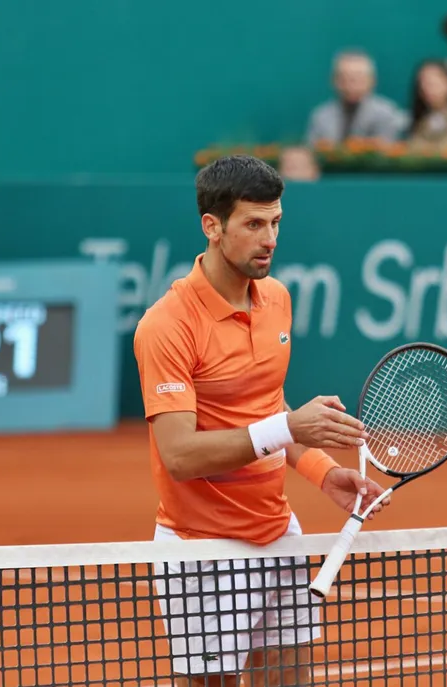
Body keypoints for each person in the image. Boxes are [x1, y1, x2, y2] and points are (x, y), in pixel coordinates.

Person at [132, 154, 390, 686]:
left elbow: (267, 405)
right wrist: (289, 429)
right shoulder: (167, 325)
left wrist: (322, 472)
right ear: (212, 226)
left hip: (279, 531)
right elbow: (179, 455)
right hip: (204, 549)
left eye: (275, 222)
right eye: (253, 224)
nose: (269, 238)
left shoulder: (276, 298)